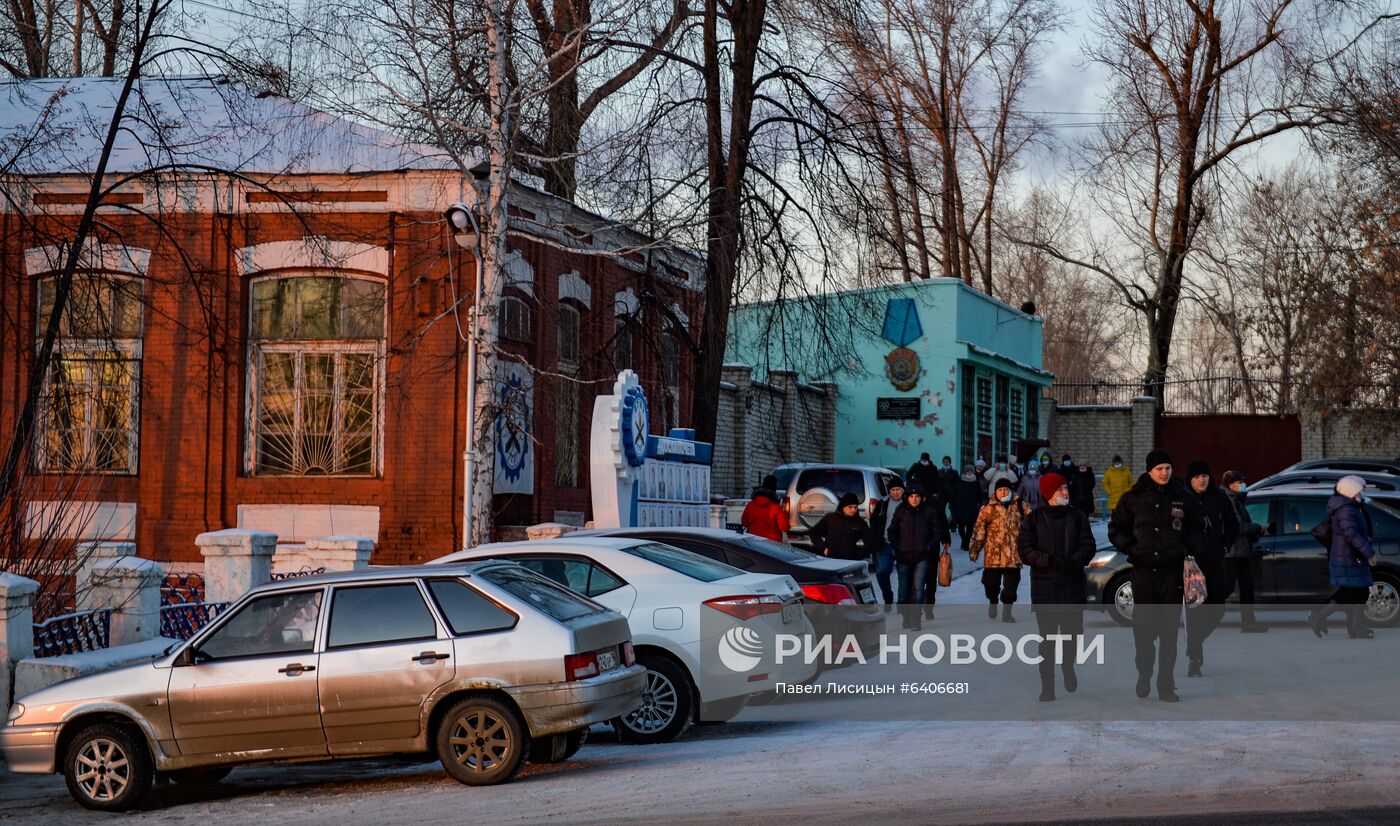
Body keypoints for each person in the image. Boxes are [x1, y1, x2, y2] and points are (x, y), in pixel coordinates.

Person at [1108, 448, 1205, 703]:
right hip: (1143, 573)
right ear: (1149, 471)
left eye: (1168, 468)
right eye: (1159, 469)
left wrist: (1187, 548)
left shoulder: (1183, 496)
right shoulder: (1133, 498)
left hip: (1171, 574)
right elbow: (1116, 529)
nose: (1164, 473)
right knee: (1142, 631)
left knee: (1169, 633)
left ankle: (1166, 685)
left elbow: (1198, 527)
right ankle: (1144, 672)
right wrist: (1132, 549)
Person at [1017, 471, 1096, 702]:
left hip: (1072, 586)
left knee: (1072, 636)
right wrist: (1049, 561)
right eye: (1061, 488)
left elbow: (1088, 544)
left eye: (1066, 488)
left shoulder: (1077, 516)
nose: (1066, 492)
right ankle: (1047, 685)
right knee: (1048, 641)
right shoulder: (1033, 519)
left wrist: (1074, 560)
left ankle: (1068, 666)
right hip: (1045, 589)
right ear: (1049, 493)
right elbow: (1025, 550)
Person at [1182, 459, 1238, 677]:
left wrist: (1225, 544)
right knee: (1194, 612)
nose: (1201, 479)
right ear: (1190, 479)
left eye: (1204, 475)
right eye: (1196, 476)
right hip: (1192, 564)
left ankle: (1193, 642)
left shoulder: (1219, 497)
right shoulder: (1183, 499)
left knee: (1217, 609)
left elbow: (1233, 524)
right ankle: (1194, 659)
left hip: (1215, 560)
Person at [1308, 475, 1378, 640]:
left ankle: (1354, 627)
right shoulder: (1346, 509)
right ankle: (1319, 617)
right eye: (1361, 490)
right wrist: (1369, 553)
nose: (1363, 492)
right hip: (1348, 557)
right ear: (1351, 491)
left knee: (1358, 593)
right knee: (1349, 593)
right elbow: (1351, 534)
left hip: (1350, 556)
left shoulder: (1352, 506)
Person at [888, 484, 951, 630]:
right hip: (903, 557)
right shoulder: (901, 510)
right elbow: (892, 531)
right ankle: (906, 616)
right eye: (911, 496)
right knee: (903, 592)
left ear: (922, 498)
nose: (914, 499)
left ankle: (916, 619)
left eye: (917, 497)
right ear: (907, 497)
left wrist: (929, 547)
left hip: (922, 557)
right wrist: (898, 547)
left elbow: (937, 532)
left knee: (918, 588)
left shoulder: (929, 512)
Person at [970, 477, 1029, 622]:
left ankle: (1007, 612)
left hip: (1013, 556)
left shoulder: (1021, 506)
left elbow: (1031, 526)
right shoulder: (987, 508)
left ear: (1011, 490)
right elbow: (979, 531)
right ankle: (993, 600)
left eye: (1006, 489)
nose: (1003, 492)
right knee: (990, 583)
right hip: (993, 556)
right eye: (1000, 490)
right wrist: (974, 550)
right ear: (995, 491)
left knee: (1011, 586)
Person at [1221, 470, 1268, 633]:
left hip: (1241, 551)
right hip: (1232, 552)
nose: (1243, 485)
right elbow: (1239, 526)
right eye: (1240, 482)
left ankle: (1248, 623)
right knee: (1227, 588)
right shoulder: (1229, 500)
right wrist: (1259, 528)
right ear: (1231, 484)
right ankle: (1202, 614)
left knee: (1247, 587)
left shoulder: (1237, 499)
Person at [868, 477, 905, 610]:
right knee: (881, 572)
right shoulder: (883, 503)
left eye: (898, 490)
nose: (895, 493)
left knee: (904, 576)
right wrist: (876, 537)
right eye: (893, 490)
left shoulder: (907, 503)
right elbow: (873, 521)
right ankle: (888, 597)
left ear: (903, 490)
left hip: (903, 546)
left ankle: (902, 603)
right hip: (885, 544)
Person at [810, 492, 870, 562]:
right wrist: (823, 548)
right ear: (843, 506)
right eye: (850, 507)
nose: (853, 510)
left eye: (855, 507)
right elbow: (813, 532)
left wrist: (859, 555)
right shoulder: (830, 518)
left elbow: (870, 542)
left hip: (850, 561)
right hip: (830, 559)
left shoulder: (860, 523)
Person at [741, 474, 788, 542]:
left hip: (754, 541)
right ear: (774, 489)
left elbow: (744, 522)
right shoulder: (776, 507)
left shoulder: (750, 505)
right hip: (773, 543)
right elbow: (785, 526)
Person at [950, 465, 984, 550]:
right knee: (960, 526)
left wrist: (981, 505)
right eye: (967, 471)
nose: (969, 472)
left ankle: (967, 541)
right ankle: (964, 540)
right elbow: (953, 495)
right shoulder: (959, 482)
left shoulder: (976, 483)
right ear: (964, 472)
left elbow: (980, 495)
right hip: (960, 507)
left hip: (972, 508)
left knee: (970, 527)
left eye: (971, 471)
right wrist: (953, 506)